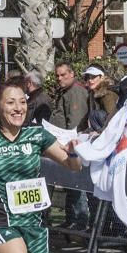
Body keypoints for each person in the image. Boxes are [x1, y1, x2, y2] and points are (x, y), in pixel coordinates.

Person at [0, 78, 82, 253]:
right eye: (10, 103)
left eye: (22, 102)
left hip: (35, 225)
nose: (18, 108)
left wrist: (73, 153)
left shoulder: (37, 136)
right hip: (2, 223)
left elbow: (74, 166)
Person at [51, 61, 92, 230]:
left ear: (72, 74)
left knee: (76, 186)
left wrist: (69, 145)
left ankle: (80, 221)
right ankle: (71, 218)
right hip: (62, 144)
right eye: (57, 75)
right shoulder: (65, 92)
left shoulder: (76, 93)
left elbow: (75, 123)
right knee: (69, 185)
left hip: (72, 145)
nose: (59, 78)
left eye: (63, 75)